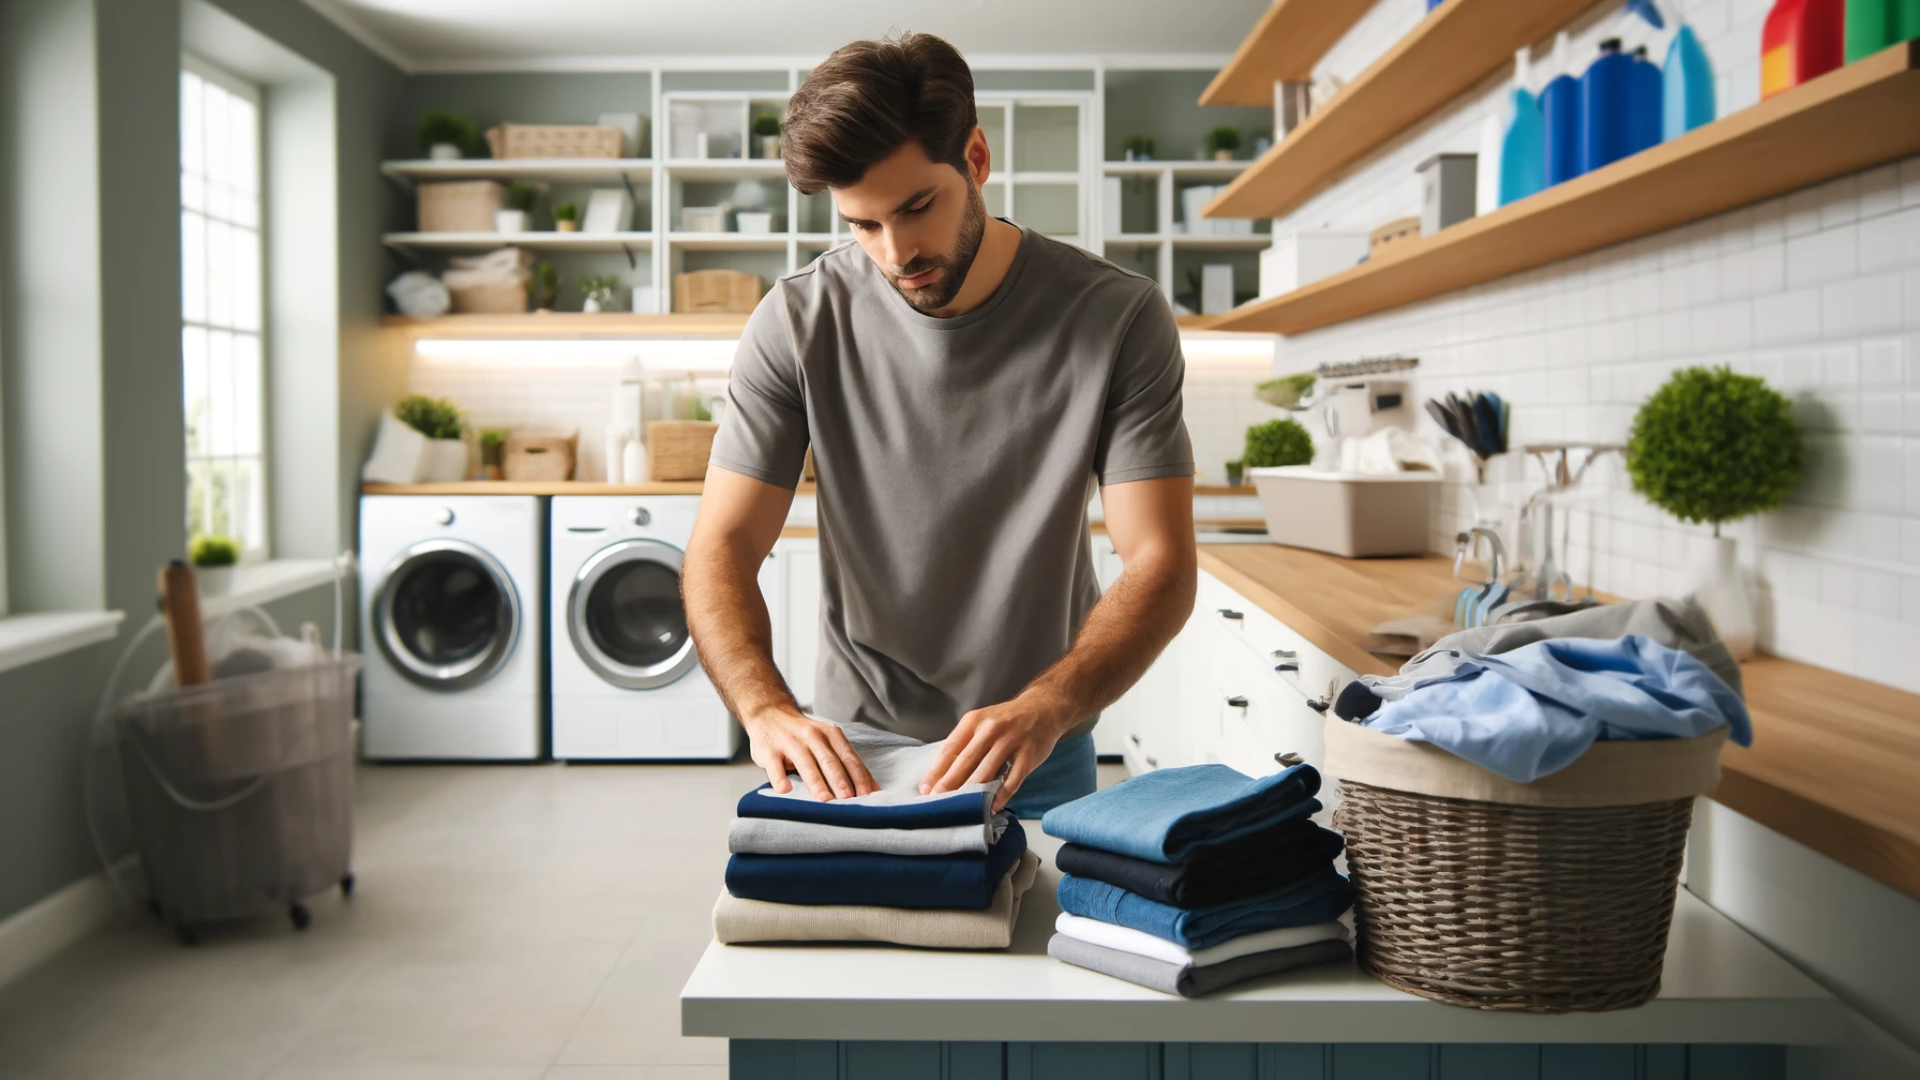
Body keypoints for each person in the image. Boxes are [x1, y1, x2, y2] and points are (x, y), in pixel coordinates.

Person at [682, 31, 1197, 817]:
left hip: (1037, 746)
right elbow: (721, 546)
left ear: (977, 159)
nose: (896, 252)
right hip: (855, 753)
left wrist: (1049, 706)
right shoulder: (795, 321)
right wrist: (764, 710)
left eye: (917, 206)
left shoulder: (1117, 316)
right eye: (862, 224)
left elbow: (1160, 558)